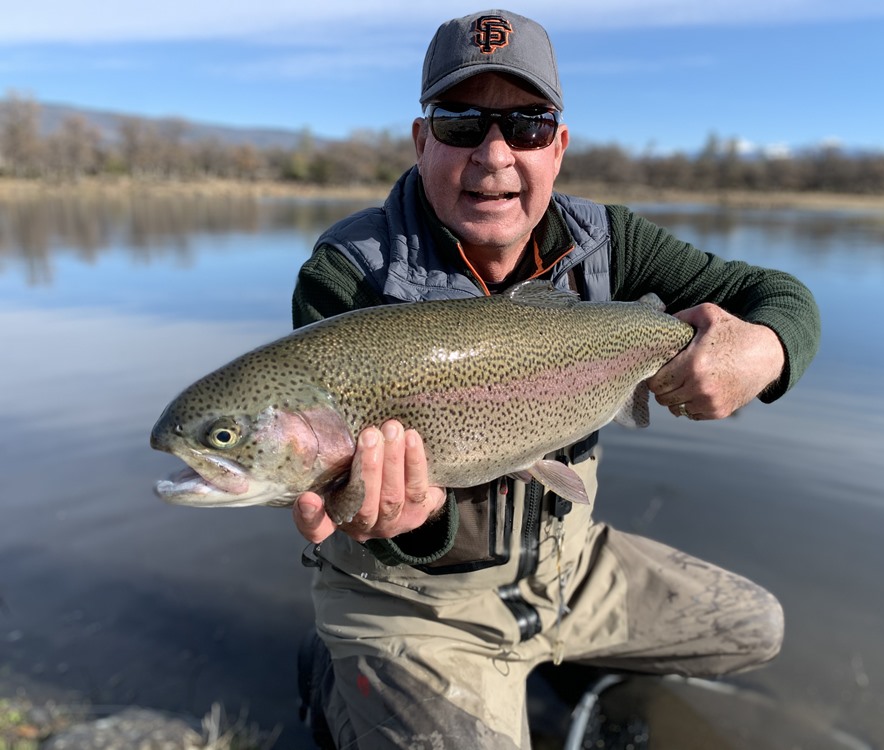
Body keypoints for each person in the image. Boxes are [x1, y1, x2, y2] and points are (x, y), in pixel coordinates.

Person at [291, 9, 820, 749]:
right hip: (418, 605)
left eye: (528, 125)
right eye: (460, 123)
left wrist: (764, 349)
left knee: (754, 628)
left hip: (565, 578)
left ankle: (540, 657)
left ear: (559, 147)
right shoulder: (348, 276)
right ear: (422, 141)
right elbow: (369, 515)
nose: (495, 154)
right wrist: (415, 521)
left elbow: (782, 296)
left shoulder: (611, 243)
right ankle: (341, 673)